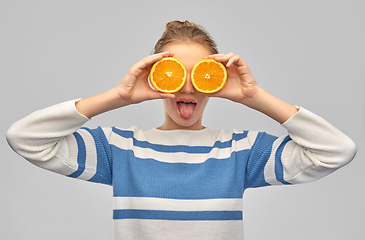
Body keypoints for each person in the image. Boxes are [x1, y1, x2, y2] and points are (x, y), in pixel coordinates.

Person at [6, 20, 357, 240]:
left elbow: (336, 150)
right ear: (155, 77)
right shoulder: (121, 149)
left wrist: (254, 97)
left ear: (216, 80)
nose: (187, 87)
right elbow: (24, 138)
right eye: (175, 74)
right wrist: (118, 96)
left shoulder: (240, 151)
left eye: (200, 75)